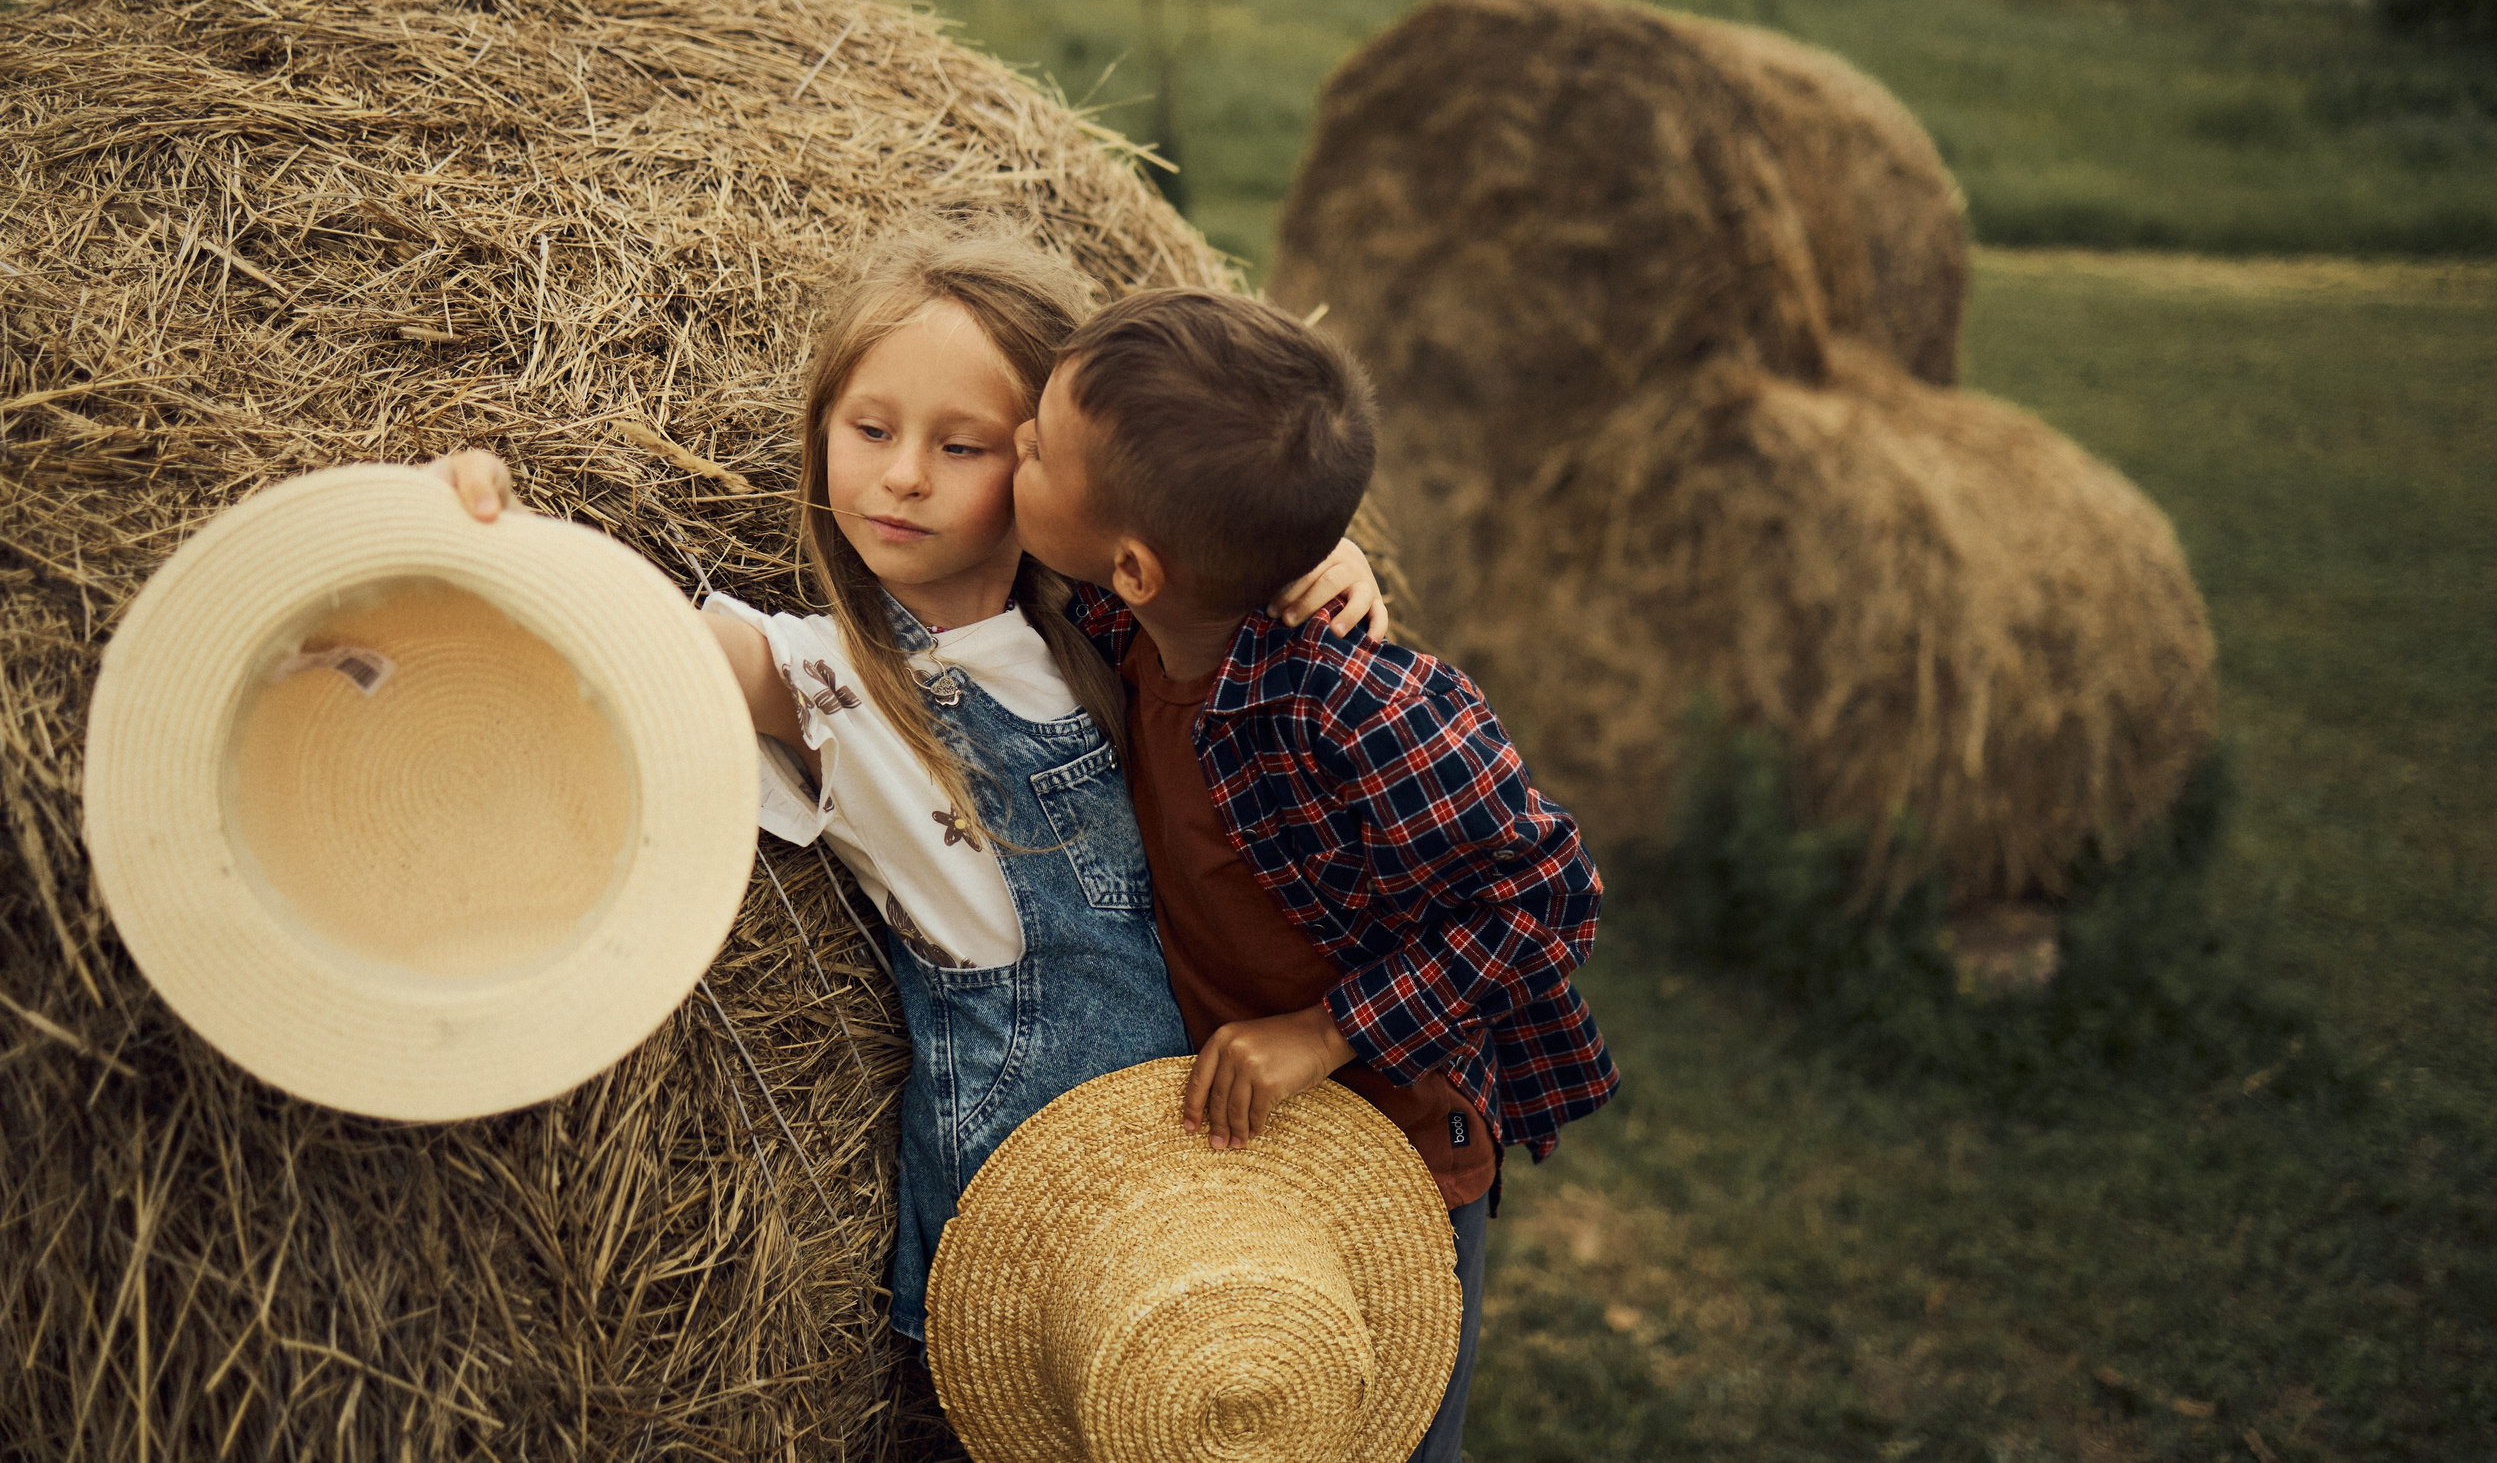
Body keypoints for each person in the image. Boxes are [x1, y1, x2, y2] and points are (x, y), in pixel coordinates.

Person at [427, 226, 1386, 1347]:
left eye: (964, 447)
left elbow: (1225, 518)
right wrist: (493, 530)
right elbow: (635, 638)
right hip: (1018, 1160)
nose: (903, 475)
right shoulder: (834, 682)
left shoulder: (1110, 628)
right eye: (869, 430)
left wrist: (1313, 559)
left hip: (1205, 1130)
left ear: (1050, 473)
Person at [1010, 286, 1620, 1462]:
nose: (1014, 447)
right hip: (1241, 1127)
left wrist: (1327, 1031)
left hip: (1393, 1138)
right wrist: (1307, 536)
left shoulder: (1355, 706)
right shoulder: (1142, 618)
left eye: (1032, 446)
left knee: (1368, 1423)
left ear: (1138, 564)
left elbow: (1546, 896)